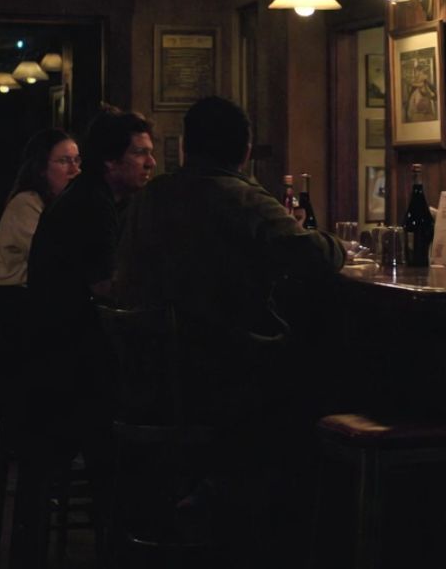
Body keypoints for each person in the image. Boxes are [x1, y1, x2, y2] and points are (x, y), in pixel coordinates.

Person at [113, 96, 345, 562]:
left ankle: (218, 495)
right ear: (243, 150)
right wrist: (336, 243)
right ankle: (293, 533)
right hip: (220, 388)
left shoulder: (150, 198)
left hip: (145, 384)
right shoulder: (241, 196)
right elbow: (314, 257)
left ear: (186, 148)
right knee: (323, 378)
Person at [10, 107, 155, 566]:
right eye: (140, 153)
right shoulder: (91, 206)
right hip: (67, 373)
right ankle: (133, 542)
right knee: (145, 424)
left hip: (60, 362)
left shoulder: (99, 199)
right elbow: (108, 291)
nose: (151, 163)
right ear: (111, 162)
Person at [0, 128, 81, 448]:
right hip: (13, 312)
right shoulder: (27, 204)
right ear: (42, 167)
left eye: (78, 160)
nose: (74, 168)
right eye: (64, 161)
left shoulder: (65, 207)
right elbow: (54, 257)